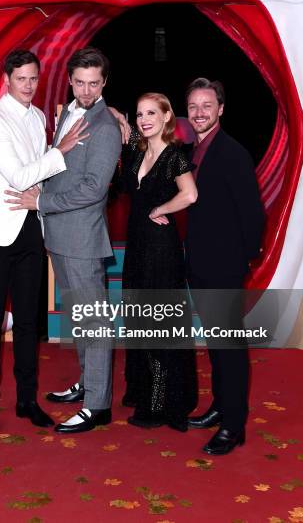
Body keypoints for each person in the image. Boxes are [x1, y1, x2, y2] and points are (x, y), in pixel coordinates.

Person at [5, 47, 123, 433]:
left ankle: (98, 405)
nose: (86, 91)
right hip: (58, 234)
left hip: (82, 238)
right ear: (70, 81)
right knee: (81, 319)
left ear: (104, 83)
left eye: (94, 84)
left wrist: (42, 200)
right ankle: (89, 384)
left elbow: (93, 189)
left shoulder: (105, 126)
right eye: (80, 83)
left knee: (95, 322)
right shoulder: (68, 113)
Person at [0, 49, 88, 436]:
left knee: (27, 322)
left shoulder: (39, 117)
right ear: (7, 79)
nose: (28, 86)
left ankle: (26, 400)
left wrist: (118, 118)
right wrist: (60, 152)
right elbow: (20, 175)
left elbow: (39, 175)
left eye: (33, 79)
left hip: (30, 228)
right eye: (21, 78)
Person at [185, 77, 264, 455]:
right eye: (194, 107)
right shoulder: (194, 150)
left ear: (220, 109)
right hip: (200, 262)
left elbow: (253, 213)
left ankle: (234, 425)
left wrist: (241, 262)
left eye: (207, 106)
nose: (200, 113)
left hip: (224, 266)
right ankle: (219, 406)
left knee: (229, 346)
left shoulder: (232, 153)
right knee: (215, 344)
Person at [120, 92, 198, 431]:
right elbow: (121, 123)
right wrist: (119, 116)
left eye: (152, 112)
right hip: (137, 246)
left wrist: (161, 209)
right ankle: (142, 389)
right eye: (139, 114)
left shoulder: (174, 156)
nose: (144, 118)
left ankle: (161, 403)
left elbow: (191, 194)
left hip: (160, 251)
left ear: (167, 116)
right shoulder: (138, 152)